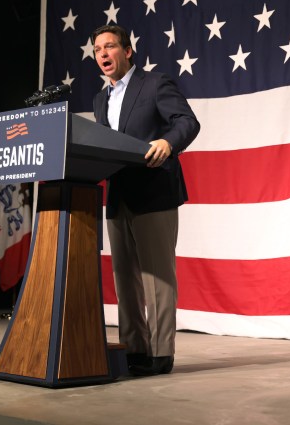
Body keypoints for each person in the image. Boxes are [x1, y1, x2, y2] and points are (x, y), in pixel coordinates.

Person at [91, 25, 200, 376]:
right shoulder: (100, 98)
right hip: (119, 196)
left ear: (127, 51)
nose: (103, 54)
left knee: (158, 278)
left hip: (154, 192)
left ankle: (160, 353)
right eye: (97, 49)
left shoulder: (154, 83)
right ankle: (134, 349)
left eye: (109, 47)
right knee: (125, 279)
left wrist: (168, 143)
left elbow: (187, 122)